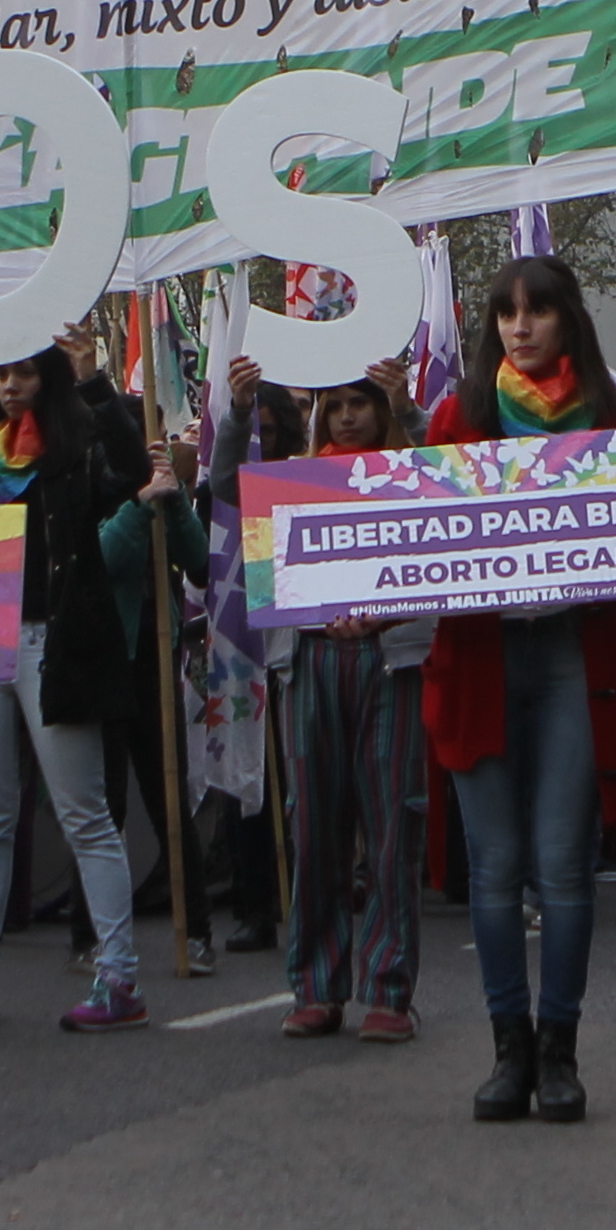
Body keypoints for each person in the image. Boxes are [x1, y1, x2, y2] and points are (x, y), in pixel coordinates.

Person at [426, 255, 616, 1127]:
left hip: (570, 656)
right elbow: (406, 543)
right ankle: (506, 1052)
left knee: (561, 867)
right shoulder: (460, 417)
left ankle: (559, 1052)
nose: (519, 328)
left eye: (538, 312)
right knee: (495, 870)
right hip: (479, 659)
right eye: (505, 314)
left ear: (569, 321)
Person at [0, 323, 157, 1035]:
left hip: (56, 644)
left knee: (85, 817)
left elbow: (138, 472)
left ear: (47, 380)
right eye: (0, 376)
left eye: (23, 373)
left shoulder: (77, 454)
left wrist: (94, 380)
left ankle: (119, 977)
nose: (9, 386)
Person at [225, 357, 434, 1040]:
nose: (347, 416)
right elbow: (228, 483)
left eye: (360, 404)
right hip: (309, 657)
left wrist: (407, 410)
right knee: (312, 824)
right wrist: (236, 409)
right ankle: (315, 985)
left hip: (388, 658)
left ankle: (388, 989)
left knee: (393, 824)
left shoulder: (411, 473)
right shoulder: (295, 479)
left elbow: (460, 491)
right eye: (335, 405)